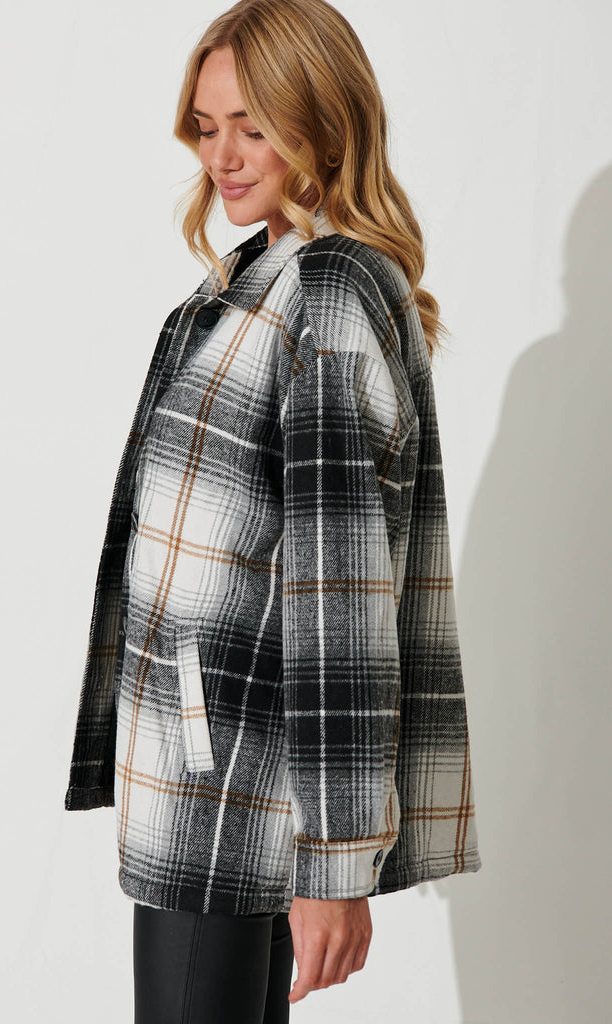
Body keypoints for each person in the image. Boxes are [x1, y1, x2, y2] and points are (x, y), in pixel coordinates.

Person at [63, 1, 482, 1021]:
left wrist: (336, 862)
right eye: (208, 128)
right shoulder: (250, 285)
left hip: (231, 791)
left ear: (323, 123)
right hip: (206, 773)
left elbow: (342, 590)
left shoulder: (324, 292)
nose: (222, 157)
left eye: (252, 127)